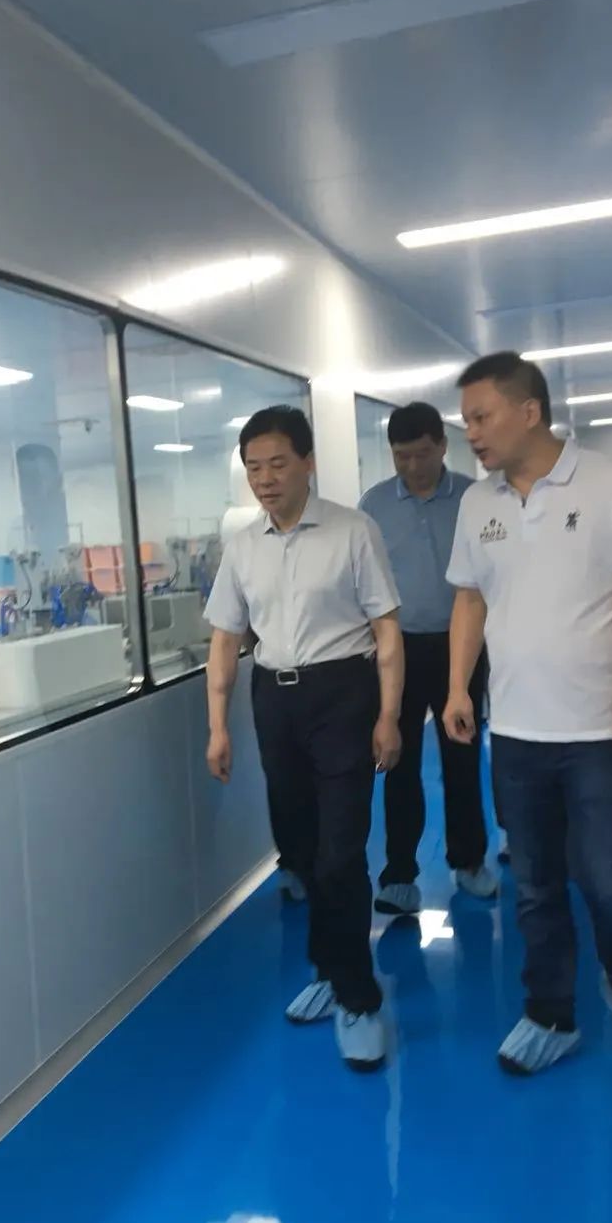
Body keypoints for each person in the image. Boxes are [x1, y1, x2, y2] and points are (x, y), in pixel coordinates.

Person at [442, 352, 612, 1075]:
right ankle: (550, 1013)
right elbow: (470, 600)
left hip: (596, 727)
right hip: (515, 731)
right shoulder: (478, 504)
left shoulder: (610, 483)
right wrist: (458, 688)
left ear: (529, 411)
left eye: (481, 417)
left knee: (608, 876)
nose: (471, 432)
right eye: (466, 419)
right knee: (536, 883)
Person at [204, 405, 404, 1071]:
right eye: (253, 467)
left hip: (344, 694)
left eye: (277, 464)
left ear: (307, 463)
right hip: (275, 700)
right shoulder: (243, 546)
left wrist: (388, 715)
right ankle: (329, 967)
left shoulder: (353, 531)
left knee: (341, 853)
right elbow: (225, 640)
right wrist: (217, 728)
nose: (265, 479)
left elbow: (386, 629)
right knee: (301, 848)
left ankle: (359, 999)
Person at [359, 401, 497, 913]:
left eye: (422, 454)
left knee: (462, 757)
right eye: (402, 456)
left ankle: (469, 861)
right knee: (397, 761)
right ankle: (399, 875)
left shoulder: (474, 498)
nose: (413, 466)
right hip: (396, 650)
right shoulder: (374, 506)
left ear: (442, 445)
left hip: (462, 647)